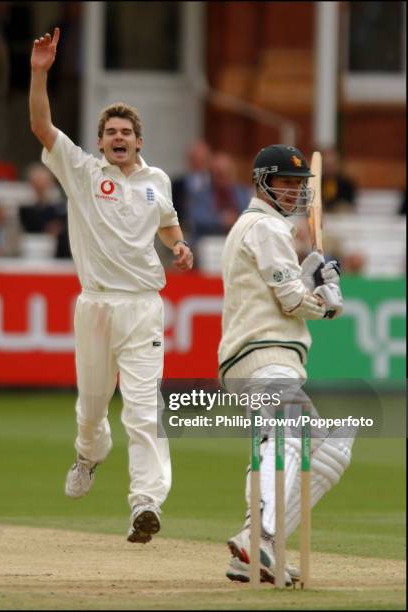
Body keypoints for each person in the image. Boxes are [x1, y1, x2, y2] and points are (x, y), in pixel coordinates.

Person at [29, 28, 193, 544]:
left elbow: (166, 222)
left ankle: (146, 501)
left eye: (126, 131)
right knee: (93, 408)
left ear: (138, 140)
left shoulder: (157, 180)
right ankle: (87, 454)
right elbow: (40, 125)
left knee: (144, 411)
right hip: (96, 305)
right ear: (100, 141)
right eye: (111, 132)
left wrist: (179, 245)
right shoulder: (81, 171)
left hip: (145, 307)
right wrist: (39, 72)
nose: (118, 138)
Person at [217, 144, 356, 585]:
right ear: (262, 183)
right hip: (260, 354)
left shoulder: (267, 229)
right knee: (288, 428)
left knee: (334, 448)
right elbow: (292, 300)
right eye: (287, 182)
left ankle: (257, 551)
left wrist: (309, 275)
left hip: (273, 359)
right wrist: (327, 302)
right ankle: (261, 533)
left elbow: (289, 288)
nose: (296, 191)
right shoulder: (263, 226)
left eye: (300, 184)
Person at [321, 147, 357, 213]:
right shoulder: (315, 183)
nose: (329, 168)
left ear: (338, 165)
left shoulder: (347, 184)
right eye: (327, 165)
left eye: (332, 165)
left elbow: (350, 205)